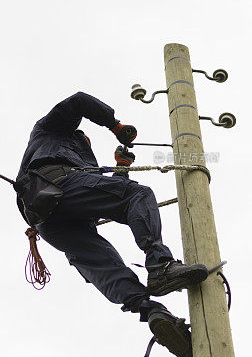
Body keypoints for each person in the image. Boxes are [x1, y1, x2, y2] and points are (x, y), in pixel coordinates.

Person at [16, 91, 208, 357]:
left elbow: (101, 193)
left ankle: (153, 312)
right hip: (58, 188)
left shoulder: (80, 161)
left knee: (105, 263)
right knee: (137, 194)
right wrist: (115, 126)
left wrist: (120, 168)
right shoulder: (50, 130)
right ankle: (160, 266)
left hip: (48, 218)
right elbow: (80, 101)